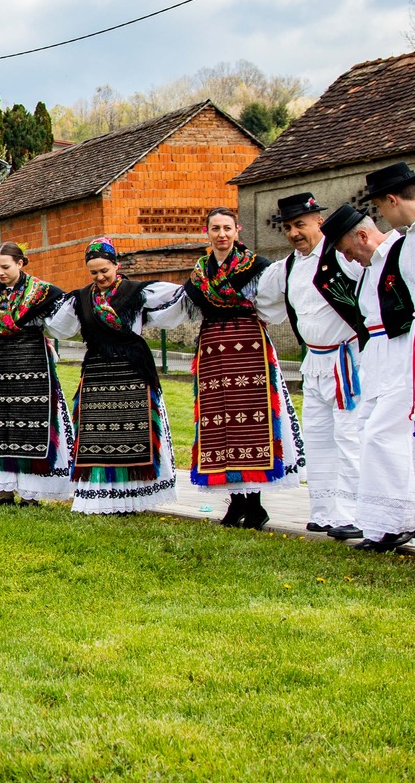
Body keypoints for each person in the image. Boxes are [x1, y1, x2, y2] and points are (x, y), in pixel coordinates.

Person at [146, 209, 303, 529]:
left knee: (252, 423)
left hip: (249, 349)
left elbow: (272, 302)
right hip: (214, 353)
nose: (222, 234)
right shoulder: (201, 272)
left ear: (237, 230)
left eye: (227, 228)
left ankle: (256, 505)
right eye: (215, 228)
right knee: (221, 427)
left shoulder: (257, 267)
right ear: (208, 233)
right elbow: (181, 306)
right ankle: (236, 503)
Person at [329, 167, 415, 554]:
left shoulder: (401, 251)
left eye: (347, 250)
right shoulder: (371, 267)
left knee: (385, 435)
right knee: (368, 432)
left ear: (362, 235)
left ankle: (401, 520)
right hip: (375, 352)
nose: (349, 259)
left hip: (402, 348)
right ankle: (381, 521)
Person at [254, 193, 368, 543]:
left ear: (319, 220)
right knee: (318, 438)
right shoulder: (286, 267)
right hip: (314, 363)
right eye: (288, 227)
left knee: (350, 436)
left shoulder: (342, 256)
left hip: (347, 359)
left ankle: (354, 513)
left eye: (300, 225)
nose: (294, 233)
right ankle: (323, 511)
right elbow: (259, 298)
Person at [45, 238, 187, 515]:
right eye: (94, 273)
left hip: (131, 366)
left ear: (116, 265)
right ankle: (103, 498)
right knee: (95, 430)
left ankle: (132, 497)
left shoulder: (137, 292)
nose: (100, 277)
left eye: (104, 271)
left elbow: (176, 298)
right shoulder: (82, 298)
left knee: (135, 427)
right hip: (98, 368)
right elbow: (59, 324)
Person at [0, 242, 73, 507]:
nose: (0, 273)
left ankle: (30, 492)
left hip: (33, 359)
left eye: (5, 267)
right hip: (1, 363)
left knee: (30, 420)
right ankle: (4, 492)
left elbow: (65, 316)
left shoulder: (42, 292)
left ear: (20, 263)